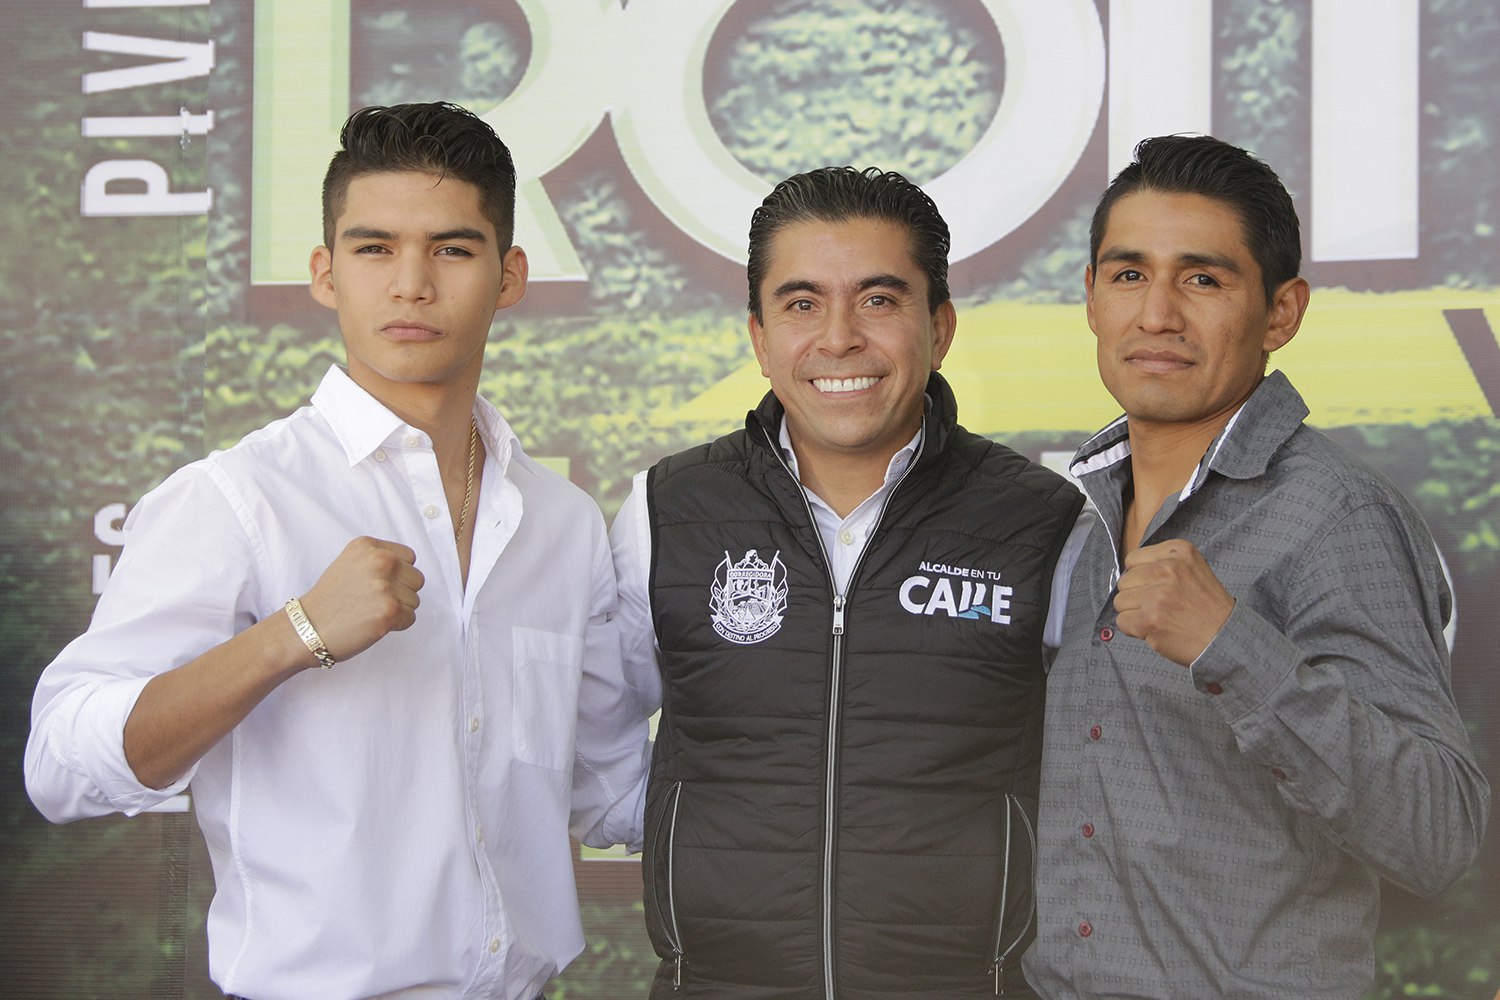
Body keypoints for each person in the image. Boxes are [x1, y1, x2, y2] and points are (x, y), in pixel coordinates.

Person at [25, 102, 652, 999]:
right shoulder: (238, 498)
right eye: (372, 248)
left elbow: (604, 784)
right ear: (325, 274)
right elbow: (59, 766)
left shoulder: (561, 520)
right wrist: (294, 633)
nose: (410, 284)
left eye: (452, 248)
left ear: (509, 274)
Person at [1024, 134, 1491, 998]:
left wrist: (1230, 644)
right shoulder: (1080, 515)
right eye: (1129, 275)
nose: (1157, 314)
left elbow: (1438, 831)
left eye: (1202, 278)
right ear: (1090, 297)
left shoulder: (1331, 514)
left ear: (1282, 313)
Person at [611, 166, 1087, 998]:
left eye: (878, 300)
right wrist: (691, 851)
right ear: (758, 336)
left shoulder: (1045, 524)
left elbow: (1100, 778)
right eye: (801, 304)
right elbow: (591, 738)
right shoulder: (668, 511)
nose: (838, 339)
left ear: (938, 327)